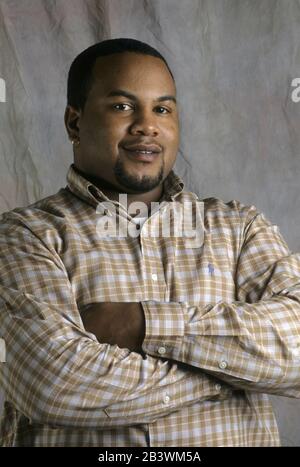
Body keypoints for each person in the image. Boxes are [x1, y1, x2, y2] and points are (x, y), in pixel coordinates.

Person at [0, 38, 299, 447]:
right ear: (75, 122)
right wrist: (234, 374)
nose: (147, 124)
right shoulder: (24, 235)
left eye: (162, 108)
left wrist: (143, 324)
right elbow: (51, 383)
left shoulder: (240, 228)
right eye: (122, 106)